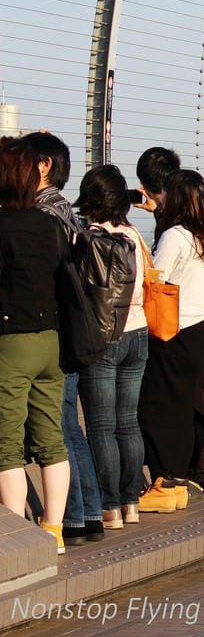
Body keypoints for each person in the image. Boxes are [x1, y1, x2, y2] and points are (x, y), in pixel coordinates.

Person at [24, 132, 104, 544]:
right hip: (71, 330)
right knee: (70, 428)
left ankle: (71, 515)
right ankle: (87, 513)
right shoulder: (67, 212)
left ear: (43, 166)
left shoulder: (43, 213)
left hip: (52, 330)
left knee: (55, 429)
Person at [137, 170, 204, 513]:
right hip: (201, 329)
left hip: (172, 331)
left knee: (156, 409)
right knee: (184, 408)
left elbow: (157, 281)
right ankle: (176, 484)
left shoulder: (174, 235)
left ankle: (164, 481)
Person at [0, 137, 71, 553]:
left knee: (6, 442)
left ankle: (16, 538)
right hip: (51, 341)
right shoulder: (48, 223)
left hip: (12, 342)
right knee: (51, 439)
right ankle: (53, 530)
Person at [74, 166, 149, 530]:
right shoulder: (132, 233)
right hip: (138, 332)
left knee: (101, 426)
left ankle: (109, 506)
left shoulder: (85, 237)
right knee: (128, 423)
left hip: (101, 338)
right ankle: (132, 500)